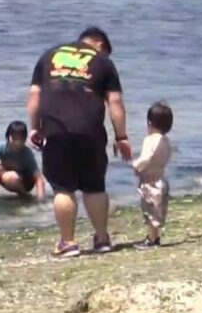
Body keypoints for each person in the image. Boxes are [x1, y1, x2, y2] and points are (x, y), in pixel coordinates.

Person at [28, 27, 132, 258]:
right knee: (94, 186)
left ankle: (68, 242)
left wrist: (34, 127)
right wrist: (121, 136)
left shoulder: (48, 56)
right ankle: (102, 239)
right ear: (100, 45)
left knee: (63, 188)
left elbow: (35, 97)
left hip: (56, 129)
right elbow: (115, 103)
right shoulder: (103, 61)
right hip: (90, 130)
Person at [132, 102, 173, 249]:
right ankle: (154, 238)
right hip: (161, 180)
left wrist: (136, 165)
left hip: (150, 182)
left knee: (150, 212)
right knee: (157, 210)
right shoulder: (165, 140)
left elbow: (146, 157)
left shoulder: (150, 140)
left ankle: (152, 239)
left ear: (149, 122)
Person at [0, 121, 45, 201]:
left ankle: (25, 196)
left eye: (20, 139)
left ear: (25, 140)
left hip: (25, 182)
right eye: (14, 138)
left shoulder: (27, 154)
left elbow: (38, 178)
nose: (17, 142)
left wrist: (40, 199)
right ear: (7, 137)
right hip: (8, 174)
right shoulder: (1, 147)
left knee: (9, 177)